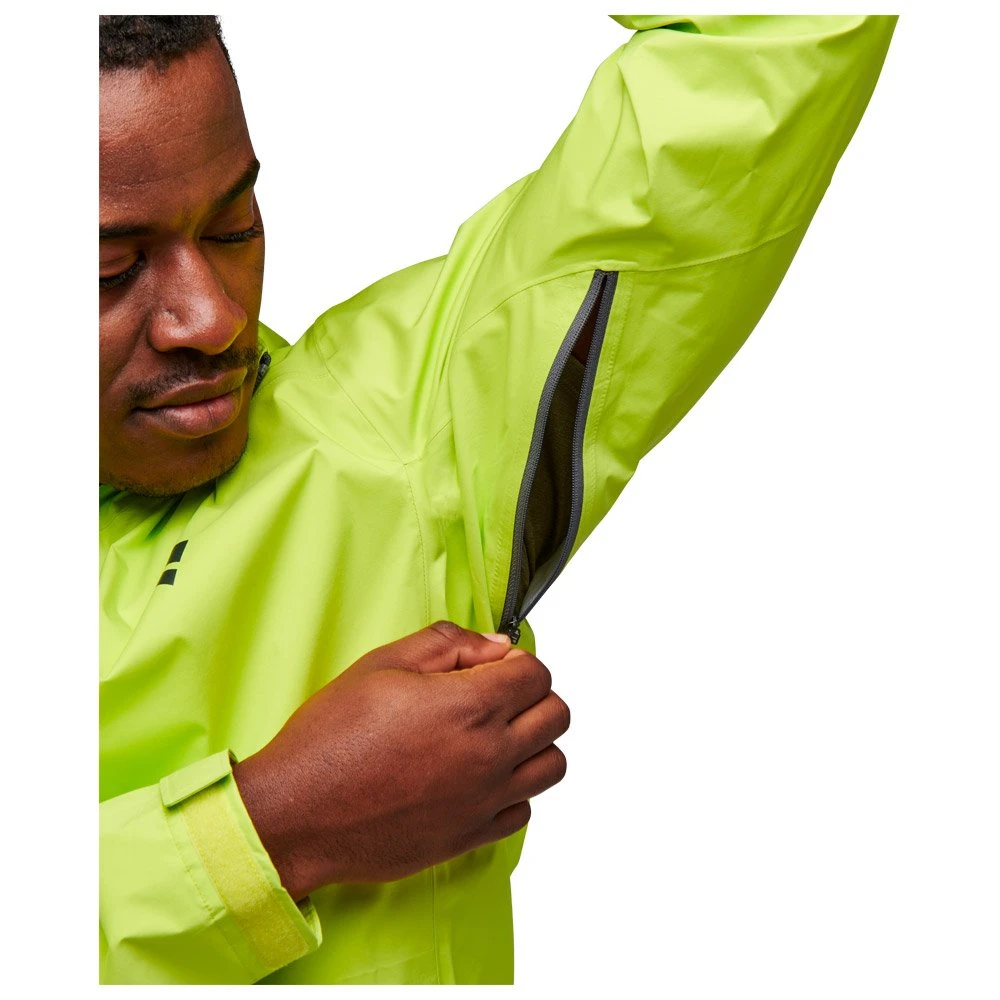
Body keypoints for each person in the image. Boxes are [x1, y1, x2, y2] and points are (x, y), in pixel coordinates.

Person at [99, 13, 898, 985]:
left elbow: (778, 35)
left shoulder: (390, 435)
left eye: (234, 227)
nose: (214, 316)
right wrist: (274, 829)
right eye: (108, 271)